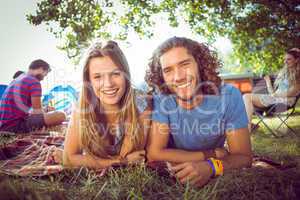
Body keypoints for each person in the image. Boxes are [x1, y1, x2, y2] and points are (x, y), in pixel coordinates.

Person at [145, 37, 252, 187]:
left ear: (200, 64)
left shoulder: (229, 96)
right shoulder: (162, 100)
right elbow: (155, 153)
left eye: (185, 64)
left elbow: (243, 157)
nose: (178, 77)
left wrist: (211, 166)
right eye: (168, 70)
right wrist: (212, 154)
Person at [62, 41, 151, 169]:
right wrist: (120, 162)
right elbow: (68, 159)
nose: (108, 84)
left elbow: (128, 154)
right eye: (98, 77)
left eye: (115, 74)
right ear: (89, 81)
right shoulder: (83, 106)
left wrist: (87, 160)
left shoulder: (140, 102)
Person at [0, 59, 66, 133]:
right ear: (41, 69)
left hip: (4, 124)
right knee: (61, 115)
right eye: (45, 74)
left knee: (50, 112)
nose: (43, 78)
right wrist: (47, 112)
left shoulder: (17, 79)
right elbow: (38, 112)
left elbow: (26, 110)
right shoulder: (34, 81)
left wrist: (45, 110)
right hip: (15, 126)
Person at [243, 48, 300, 131]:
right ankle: (248, 126)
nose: (285, 62)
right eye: (285, 59)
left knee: (246, 97)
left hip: (285, 101)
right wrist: (268, 81)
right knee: (246, 98)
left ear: (296, 60)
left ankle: (247, 129)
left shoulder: (298, 75)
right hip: (275, 99)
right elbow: (272, 93)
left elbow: (292, 93)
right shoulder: (284, 73)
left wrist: (275, 95)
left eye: (289, 59)